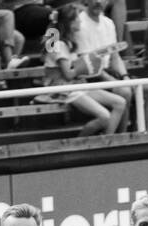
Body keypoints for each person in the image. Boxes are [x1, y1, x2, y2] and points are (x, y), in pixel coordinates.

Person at [41, 3, 124, 137]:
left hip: (78, 85)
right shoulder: (58, 44)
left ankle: (107, 142)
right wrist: (85, 65)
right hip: (63, 90)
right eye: (77, 19)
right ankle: (80, 144)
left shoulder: (70, 42)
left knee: (120, 103)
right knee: (105, 117)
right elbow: (68, 74)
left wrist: (91, 63)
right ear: (69, 22)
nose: (80, 21)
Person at [73, 0, 148, 132]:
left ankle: (143, 134)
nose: (99, 2)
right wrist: (115, 82)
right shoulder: (79, 23)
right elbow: (87, 64)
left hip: (108, 71)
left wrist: (125, 76)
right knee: (125, 91)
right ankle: (121, 136)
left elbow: (115, 57)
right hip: (90, 75)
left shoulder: (109, 23)